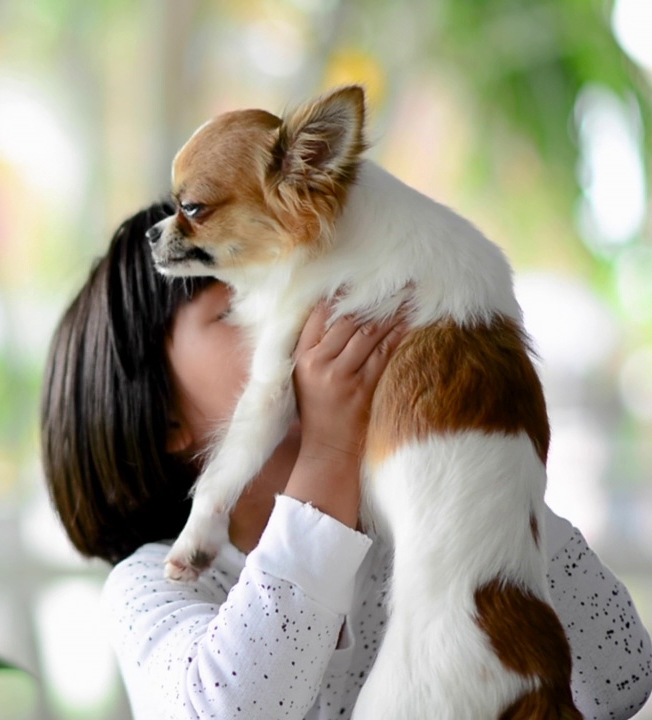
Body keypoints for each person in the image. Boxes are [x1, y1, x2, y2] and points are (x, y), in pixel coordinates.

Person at [39, 200, 652, 718]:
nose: (296, 310)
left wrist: (477, 460)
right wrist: (329, 448)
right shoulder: (149, 590)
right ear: (164, 418)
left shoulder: (414, 528)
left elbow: (621, 680)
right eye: (234, 308)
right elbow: (229, 707)